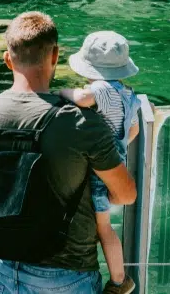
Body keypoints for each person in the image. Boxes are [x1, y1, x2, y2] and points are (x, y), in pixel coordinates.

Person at [0, 12, 137, 294]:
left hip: (5, 265)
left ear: (8, 59)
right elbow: (127, 194)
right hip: (67, 273)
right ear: (55, 56)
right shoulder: (81, 122)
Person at [59, 32, 142, 294]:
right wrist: (116, 149)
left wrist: (61, 91)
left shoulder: (101, 89)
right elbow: (134, 131)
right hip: (116, 162)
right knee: (105, 224)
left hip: (98, 169)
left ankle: (120, 281)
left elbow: (83, 99)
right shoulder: (128, 95)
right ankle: (119, 279)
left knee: (103, 227)